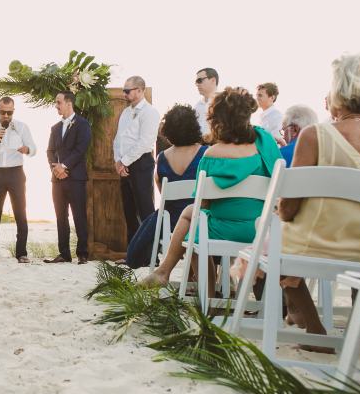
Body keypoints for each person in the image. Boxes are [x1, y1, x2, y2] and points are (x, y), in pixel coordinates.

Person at [278, 54, 360, 351]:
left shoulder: (316, 135)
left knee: (271, 236)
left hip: (313, 246)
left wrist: (281, 212)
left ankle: (315, 331)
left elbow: (289, 206)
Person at [141, 87, 281, 297]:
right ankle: (167, 273)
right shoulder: (265, 143)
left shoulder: (212, 155)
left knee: (194, 223)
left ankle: (206, 296)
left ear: (217, 121)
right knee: (193, 214)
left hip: (222, 231)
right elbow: (279, 184)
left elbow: (203, 204)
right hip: (260, 230)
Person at [123, 105, 207, 269]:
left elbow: (164, 195)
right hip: (200, 222)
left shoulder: (162, 157)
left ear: (169, 130)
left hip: (171, 223)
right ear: (194, 126)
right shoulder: (206, 153)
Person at [0, 97, 36, 263]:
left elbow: (34, 149)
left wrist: (27, 149)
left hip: (16, 173)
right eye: (3, 112)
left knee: (20, 213)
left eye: (9, 112)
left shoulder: (22, 127)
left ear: (13, 111)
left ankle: (21, 253)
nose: (6, 115)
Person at [45, 92, 92, 265]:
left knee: (79, 215)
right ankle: (64, 253)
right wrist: (55, 167)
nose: (56, 105)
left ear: (69, 103)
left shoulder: (83, 124)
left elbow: (81, 149)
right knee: (60, 216)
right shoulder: (55, 128)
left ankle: (83, 254)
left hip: (76, 178)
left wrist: (64, 166)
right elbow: (49, 151)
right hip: (57, 179)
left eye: (58, 102)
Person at [113, 76, 161, 245]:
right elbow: (118, 139)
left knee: (145, 209)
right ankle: (132, 254)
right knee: (129, 209)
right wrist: (118, 161)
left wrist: (125, 161)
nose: (124, 94)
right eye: (124, 90)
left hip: (141, 164)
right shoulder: (126, 112)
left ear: (140, 90)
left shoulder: (150, 112)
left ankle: (151, 253)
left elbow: (145, 142)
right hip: (124, 166)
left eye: (127, 91)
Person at [194, 68, 219, 135]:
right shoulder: (197, 106)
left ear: (213, 80)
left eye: (199, 80)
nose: (197, 84)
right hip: (201, 144)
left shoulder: (225, 102)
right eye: (196, 82)